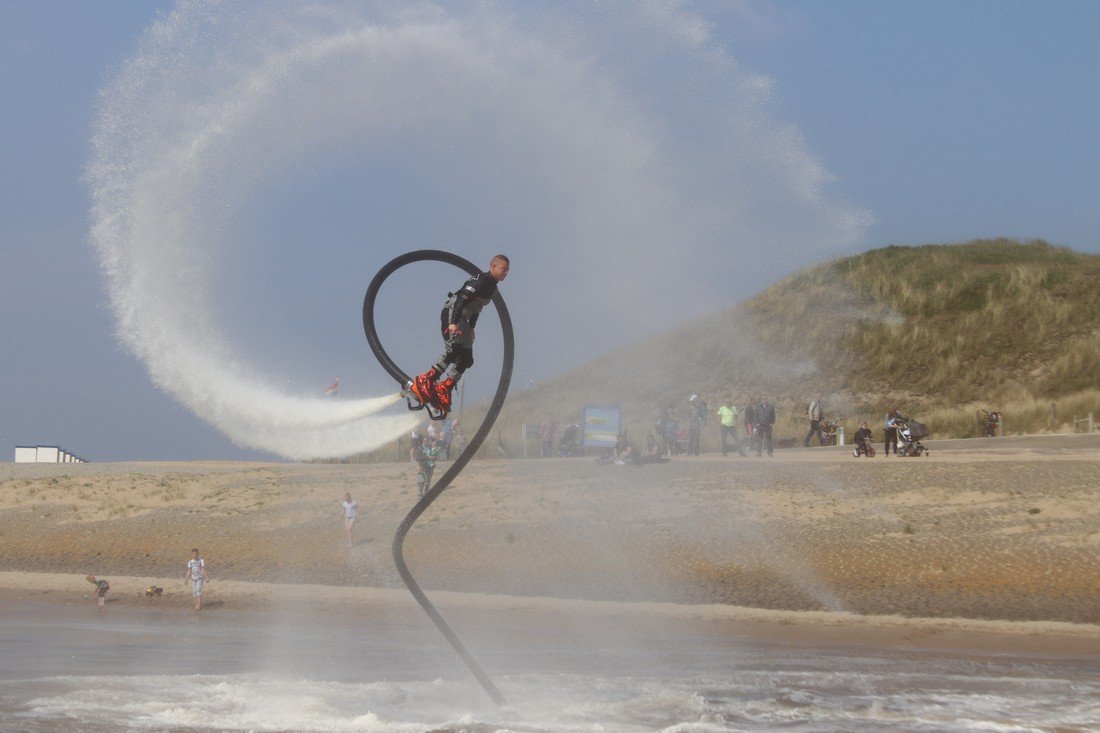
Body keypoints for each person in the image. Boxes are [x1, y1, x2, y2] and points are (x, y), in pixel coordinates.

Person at [410, 254, 510, 415]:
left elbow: (478, 309)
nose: (506, 273)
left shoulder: (492, 288)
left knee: (466, 359)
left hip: (465, 320)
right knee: (454, 349)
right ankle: (427, 379)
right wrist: (453, 323)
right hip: (454, 313)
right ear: (493, 267)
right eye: (503, 269)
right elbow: (461, 300)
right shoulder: (480, 281)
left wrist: (471, 327)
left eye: (507, 270)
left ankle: (445, 387)